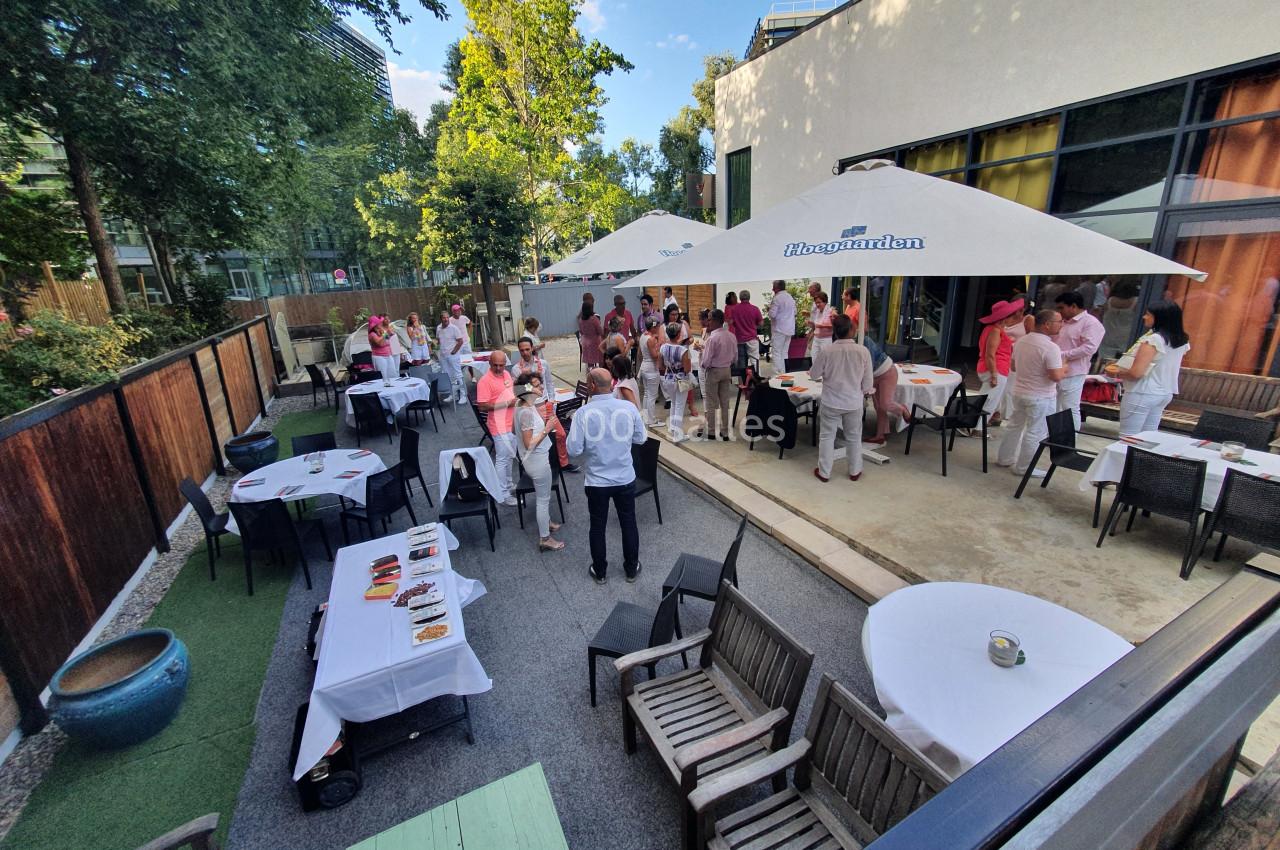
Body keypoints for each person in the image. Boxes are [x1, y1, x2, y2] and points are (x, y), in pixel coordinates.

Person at [566, 367, 647, 583]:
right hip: (624, 477)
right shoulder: (628, 408)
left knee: (597, 526)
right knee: (628, 523)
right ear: (611, 384)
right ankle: (631, 569)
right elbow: (640, 438)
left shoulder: (583, 414)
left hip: (597, 481)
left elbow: (573, 451)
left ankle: (600, 571)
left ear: (592, 385)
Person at [997, 310, 1066, 477]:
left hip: (1020, 392)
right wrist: (1065, 368)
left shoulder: (1021, 342)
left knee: (1014, 425)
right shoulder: (1051, 347)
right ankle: (1024, 467)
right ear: (1047, 324)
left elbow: (1013, 366)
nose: (1061, 325)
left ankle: (1004, 458)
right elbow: (1056, 376)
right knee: (1035, 432)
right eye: (1059, 321)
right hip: (1040, 396)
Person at [1109, 301, 1191, 436]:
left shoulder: (1154, 339)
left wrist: (1116, 372)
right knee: (1148, 437)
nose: (1144, 317)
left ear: (1159, 318)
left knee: (1127, 438)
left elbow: (1136, 373)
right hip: (1164, 393)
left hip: (1142, 392)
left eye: (1148, 315)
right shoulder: (1181, 340)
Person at [811, 314, 874, 482]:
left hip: (831, 400)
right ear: (852, 330)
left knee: (826, 436)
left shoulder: (827, 351)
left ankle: (824, 472)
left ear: (834, 331)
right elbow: (868, 383)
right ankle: (855, 471)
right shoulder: (863, 351)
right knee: (853, 437)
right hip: (853, 401)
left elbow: (814, 374)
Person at [514, 378, 564, 551]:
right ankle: (545, 538)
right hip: (537, 461)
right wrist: (547, 428)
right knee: (543, 499)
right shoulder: (526, 411)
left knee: (543, 497)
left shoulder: (521, 405)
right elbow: (529, 443)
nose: (541, 387)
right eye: (536, 385)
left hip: (533, 460)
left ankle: (547, 522)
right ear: (527, 389)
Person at [1053, 291, 1105, 430]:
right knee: (1053, 406)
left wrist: (1063, 354)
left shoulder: (1091, 323)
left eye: (1061, 308)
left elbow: (1089, 348)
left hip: (1073, 372)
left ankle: (1069, 442)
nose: (1059, 311)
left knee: (1069, 407)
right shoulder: (1062, 322)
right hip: (1054, 370)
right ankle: (1052, 438)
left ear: (1073, 306)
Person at [476, 350, 519, 505]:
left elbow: (510, 393)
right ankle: (502, 493)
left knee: (510, 457)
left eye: (502, 365)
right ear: (489, 363)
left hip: (511, 423)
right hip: (499, 426)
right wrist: (507, 404)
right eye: (496, 365)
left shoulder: (506, 375)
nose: (499, 368)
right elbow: (482, 406)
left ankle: (508, 485)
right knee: (502, 459)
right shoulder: (485, 381)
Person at [523, 370, 580, 473]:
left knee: (561, 434)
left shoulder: (542, 363)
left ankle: (563, 463)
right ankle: (545, 464)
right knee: (538, 436)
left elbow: (549, 382)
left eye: (528, 351)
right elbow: (520, 388)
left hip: (546, 404)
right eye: (522, 351)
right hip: (533, 407)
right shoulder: (517, 368)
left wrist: (551, 399)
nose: (525, 352)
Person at [976, 300, 1020, 427]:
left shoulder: (991, 329)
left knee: (987, 400)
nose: (1013, 317)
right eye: (1011, 315)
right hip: (996, 369)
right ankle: (977, 428)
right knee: (990, 401)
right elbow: (990, 354)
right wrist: (994, 375)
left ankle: (975, 426)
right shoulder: (995, 330)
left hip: (993, 368)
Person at [861, 335, 909, 445]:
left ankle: (903, 409)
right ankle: (881, 434)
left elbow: (869, 364)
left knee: (885, 404)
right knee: (878, 407)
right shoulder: (852, 343)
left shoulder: (864, 340)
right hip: (874, 376)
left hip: (886, 372)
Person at [698, 308, 737, 441]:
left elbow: (707, 360)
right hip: (726, 369)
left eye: (709, 319)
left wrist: (703, 365)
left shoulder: (712, 338)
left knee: (711, 402)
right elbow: (735, 357)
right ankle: (725, 431)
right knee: (725, 402)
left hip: (714, 370)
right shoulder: (731, 336)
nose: (707, 322)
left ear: (714, 321)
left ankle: (711, 431)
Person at [659, 322, 695, 442]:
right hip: (681, 379)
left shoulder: (663, 347)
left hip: (668, 377)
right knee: (680, 405)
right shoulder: (683, 350)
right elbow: (687, 368)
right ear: (679, 333)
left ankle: (673, 428)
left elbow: (660, 365)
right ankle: (678, 434)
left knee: (674, 403)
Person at [638, 316, 664, 426]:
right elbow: (654, 356)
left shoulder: (643, 336)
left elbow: (639, 354)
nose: (659, 328)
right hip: (651, 369)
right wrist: (660, 348)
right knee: (652, 396)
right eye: (658, 326)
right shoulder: (651, 339)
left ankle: (645, 417)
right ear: (654, 327)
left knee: (646, 395)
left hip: (644, 367)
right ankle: (651, 420)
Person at [437, 311, 467, 403]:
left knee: (458, 375)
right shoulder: (438, 328)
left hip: (453, 355)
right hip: (443, 356)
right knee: (448, 376)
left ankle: (463, 396)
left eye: (447, 317)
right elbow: (439, 340)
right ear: (441, 319)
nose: (446, 319)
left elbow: (460, 341)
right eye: (443, 318)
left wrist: (453, 352)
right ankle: (453, 395)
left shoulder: (454, 328)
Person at [767, 280, 796, 374]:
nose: (772, 289)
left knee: (776, 352)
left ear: (778, 288)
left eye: (774, 287)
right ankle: (784, 373)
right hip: (789, 329)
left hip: (779, 329)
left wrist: (769, 309)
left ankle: (777, 375)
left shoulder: (777, 298)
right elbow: (795, 312)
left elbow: (772, 315)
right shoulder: (790, 297)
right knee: (784, 352)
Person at [731, 290, 763, 367]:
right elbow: (761, 323)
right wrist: (754, 327)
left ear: (740, 298)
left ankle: (743, 378)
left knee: (741, 363)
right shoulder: (755, 309)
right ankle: (756, 377)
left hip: (740, 339)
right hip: (752, 338)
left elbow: (732, 322)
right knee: (755, 361)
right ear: (749, 297)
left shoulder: (734, 309)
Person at [368, 315, 397, 382]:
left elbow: (387, 341)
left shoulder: (382, 331)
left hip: (388, 355)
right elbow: (380, 343)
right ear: (375, 325)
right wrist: (386, 333)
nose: (381, 324)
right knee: (383, 376)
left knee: (393, 374)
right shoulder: (372, 334)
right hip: (379, 357)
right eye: (379, 323)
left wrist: (390, 334)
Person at [578, 293, 604, 369]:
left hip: (585, 343)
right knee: (600, 360)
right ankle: (600, 376)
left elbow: (581, 332)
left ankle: (591, 377)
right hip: (595, 343)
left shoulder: (581, 320)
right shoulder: (594, 319)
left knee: (590, 364)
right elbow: (600, 332)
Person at [808, 290, 835, 357]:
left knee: (825, 359)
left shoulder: (831, 311)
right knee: (814, 357)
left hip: (826, 339)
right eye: (816, 303)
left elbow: (834, 326)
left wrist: (821, 325)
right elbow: (815, 324)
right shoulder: (817, 311)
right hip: (816, 338)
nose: (817, 305)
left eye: (819, 302)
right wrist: (810, 323)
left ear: (825, 302)